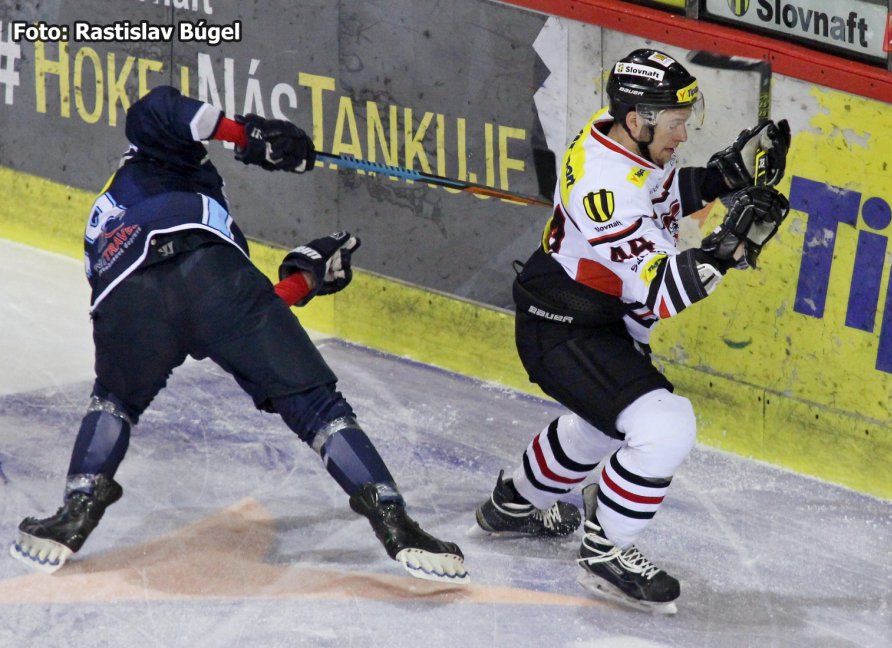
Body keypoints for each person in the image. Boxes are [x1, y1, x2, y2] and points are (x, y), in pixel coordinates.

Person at [10, 85, 468, 584]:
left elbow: (226, 312)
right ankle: (394, 520)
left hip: (128, 303)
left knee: (114, 401)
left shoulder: (118, 213)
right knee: (318, 409)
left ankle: (74, 512)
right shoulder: (152, 159)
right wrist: (246, 134)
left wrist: (304, 280)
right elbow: (161, 109)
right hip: (211, 279)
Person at [474, 49, 790, 612]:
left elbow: (660, 199)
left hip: (590, 313)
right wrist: (726, 249)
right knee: (665, 426)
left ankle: (512, 506)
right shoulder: (606, 187)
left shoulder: (618, 136)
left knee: (602, 428)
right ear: (638, 119)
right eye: (675, 123)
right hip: (565, 325)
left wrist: (719, 179)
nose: (683, 134)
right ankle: (606, 551)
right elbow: (663, 293)